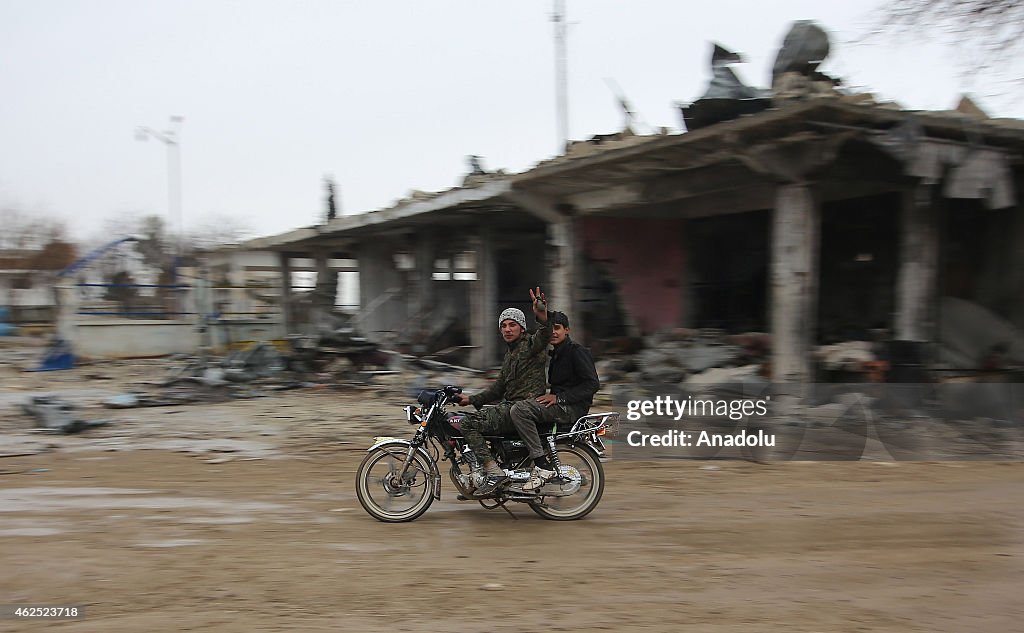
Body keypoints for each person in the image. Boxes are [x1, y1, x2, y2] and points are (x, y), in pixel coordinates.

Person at [456, 287, 551, 495]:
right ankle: (483, 472)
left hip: (522, 408)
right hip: (509, 406)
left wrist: (542, 316)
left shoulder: (530, 346)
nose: (507, 329)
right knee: (466, 417)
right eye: (504, 326)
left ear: (522, 329)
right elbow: (497, 388)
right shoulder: (509, 356)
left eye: (512, 325)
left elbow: (544, 335)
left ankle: (493, 472)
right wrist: (470, 399)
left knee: (467, 424)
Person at [510, 310, 599, 492]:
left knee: (519, 411)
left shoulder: (577, 352)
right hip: (560, 405)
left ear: (567, 330)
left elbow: (592, 384)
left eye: (557, 328)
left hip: (570, 408)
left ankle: (542, 466)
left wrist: (559, 398)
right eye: (550, 329)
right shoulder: (556, 354)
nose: (554, 333)